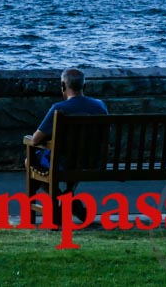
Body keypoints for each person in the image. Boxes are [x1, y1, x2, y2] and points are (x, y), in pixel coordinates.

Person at [28, 68, 108, 221]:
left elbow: (36, 140)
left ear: (63, 87)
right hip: (91, 162)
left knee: (30, 161)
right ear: (84, 87)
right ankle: (68, 200)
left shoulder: (59, 109)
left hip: (63, 163)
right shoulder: (100, 106)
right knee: (76, 156)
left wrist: (31, 139)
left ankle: (65, 202)